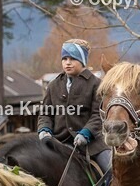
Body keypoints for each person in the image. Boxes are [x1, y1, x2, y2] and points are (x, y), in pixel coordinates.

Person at [37, 38, 111, 176]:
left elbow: (98, 114)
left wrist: (86, 133)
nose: (67, 63)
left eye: (72, 59)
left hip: (93, 145)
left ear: (82, 61)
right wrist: (44, 129)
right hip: (59, 142)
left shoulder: (96, 84)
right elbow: (46, 113)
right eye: (64, 59)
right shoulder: (54, 85)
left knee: (111, 170)